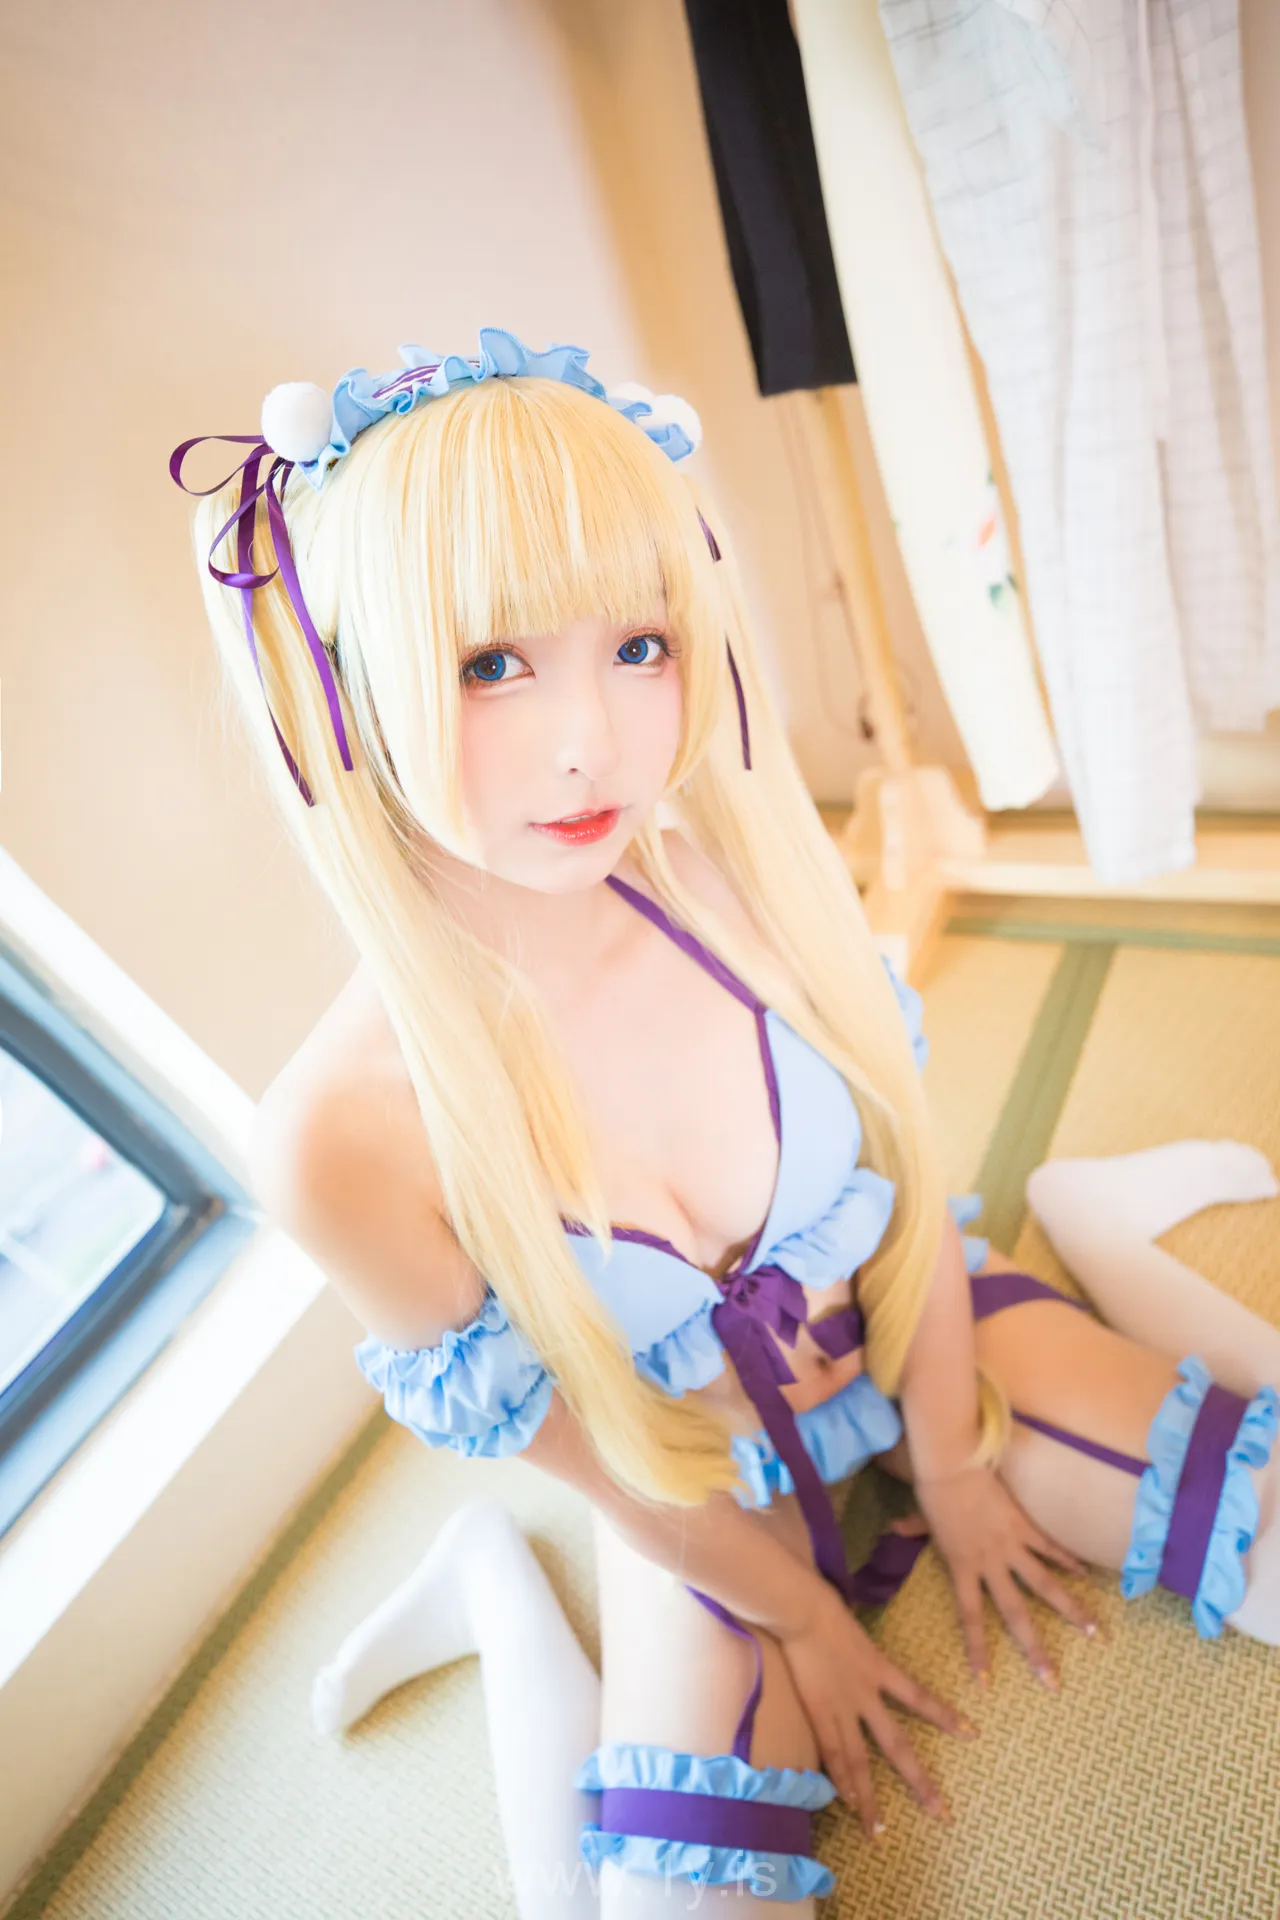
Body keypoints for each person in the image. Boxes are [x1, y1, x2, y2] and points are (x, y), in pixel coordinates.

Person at [172, 331, 1280, 1915]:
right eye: (491, 664)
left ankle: (1086, 1218)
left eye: (640, 643)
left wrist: (955, 1465)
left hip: (915, 1335)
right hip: (695, 1495)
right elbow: (595, 1457)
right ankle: (493, 1589)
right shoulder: (337, 1138)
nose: (596, 740)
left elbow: (904, 1180)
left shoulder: (725, 878)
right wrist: (800, 1612)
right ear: (348, 686)